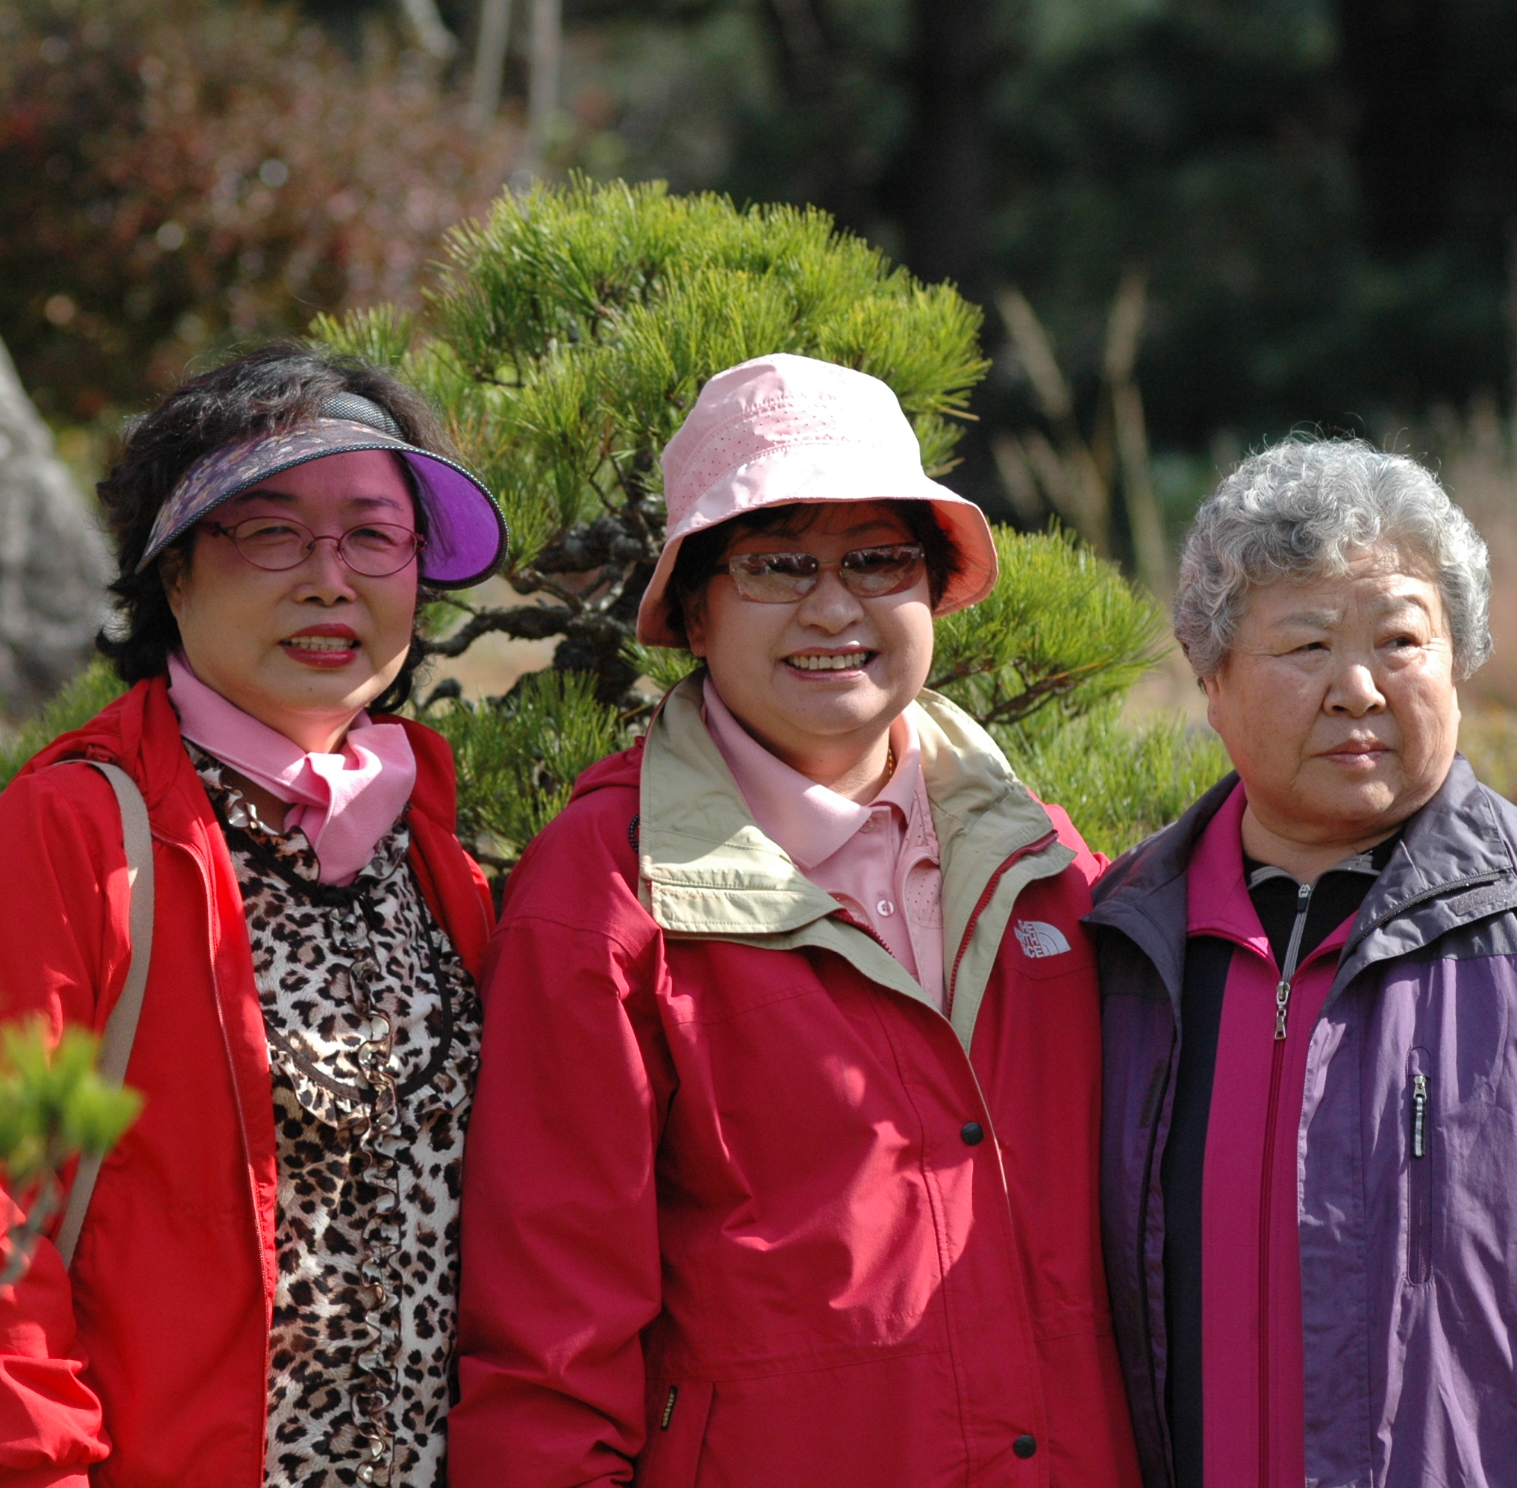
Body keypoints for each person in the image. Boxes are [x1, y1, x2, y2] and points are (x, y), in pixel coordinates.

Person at [449, 353, 1143, 1487]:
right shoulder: (608, 888)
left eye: (878, 559)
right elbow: (547, 1341)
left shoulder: (1040, 861)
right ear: (696, 608)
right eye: (777, 564)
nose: (834, 607)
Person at [1086, 437, 1517, 1488]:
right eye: (1305, 645)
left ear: (1457, 660)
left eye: (1399, 640)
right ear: (1210, 676)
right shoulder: (1121, 944)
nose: (1357, 688)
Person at [0, 344, 507, 1488]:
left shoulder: (429, 846)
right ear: (171, 572)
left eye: (373, 534)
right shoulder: (74, 833)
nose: (329, 580)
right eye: (269, 532)